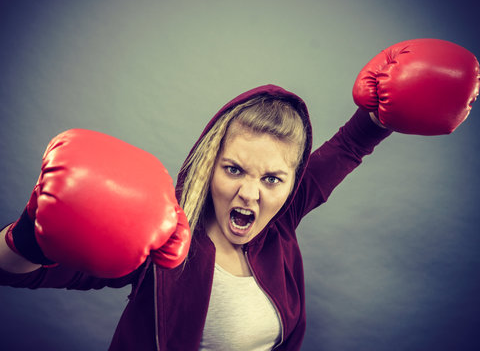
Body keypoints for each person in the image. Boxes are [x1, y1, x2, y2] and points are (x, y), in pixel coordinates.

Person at [1, 38, 479, 351]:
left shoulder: (282, 223)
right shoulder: (161, 235)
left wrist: (380, 112)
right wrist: (29, 238)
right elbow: (17, 274)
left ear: (292, 185)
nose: (250, 193)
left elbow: (351, 145)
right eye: (233, 169)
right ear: (211, 164)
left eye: (273, 179)